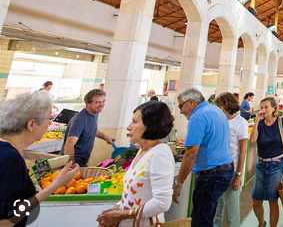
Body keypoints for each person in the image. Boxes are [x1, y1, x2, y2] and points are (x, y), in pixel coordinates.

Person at [0, 91, 80, 227]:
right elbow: (6, 221)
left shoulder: (6, 149)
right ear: (31, 124)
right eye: (48, 119)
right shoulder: (10, 160)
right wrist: (54, 186)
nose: (49, 123)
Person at [96, 101, 175, 227]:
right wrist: (117, 208)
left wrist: (121, 215)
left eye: (135, 122)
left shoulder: (160, 154)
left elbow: (162, 202)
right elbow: (137, 194)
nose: (129, 127)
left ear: (151, 126)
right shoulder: (142, 151)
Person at [173, 88, 233, 227]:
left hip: (211, 175)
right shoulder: (215, 110)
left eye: (181, 106)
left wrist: (179, 182)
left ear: (191, 102)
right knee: (207, 216)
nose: (181, 111)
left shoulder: (197, 117)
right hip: (225, 170)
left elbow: (191, 153)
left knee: (200, 220)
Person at [249, 97, 283, 227]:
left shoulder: (281, 122)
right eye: (261, 108)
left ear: (274, 108)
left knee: (273, 201)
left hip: (277, 165)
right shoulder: (260, 124)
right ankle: (261, 223)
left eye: (266, 107)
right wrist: (256, 122)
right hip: (261, 165)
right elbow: (252, 140)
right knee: (256, 201)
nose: (263, 110)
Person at [212, 93, 249, 227]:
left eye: (219, 107)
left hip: (232, 171)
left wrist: (238, 175)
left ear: (226, 106)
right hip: (216, 170)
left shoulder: (241, 123)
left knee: (232, 211)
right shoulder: (218, 120)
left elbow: (242, 151)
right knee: (216, 209)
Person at [60, 88, 114, 166]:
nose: (102, 105)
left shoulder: (94, 114)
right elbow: (69, 145)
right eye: (98, 102)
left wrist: (106, 137)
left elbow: (92, 129)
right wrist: (72, 164)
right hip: (74, 161)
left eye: (103, 101)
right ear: (88, 103)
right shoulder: (79, 120)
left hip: (83, 160)